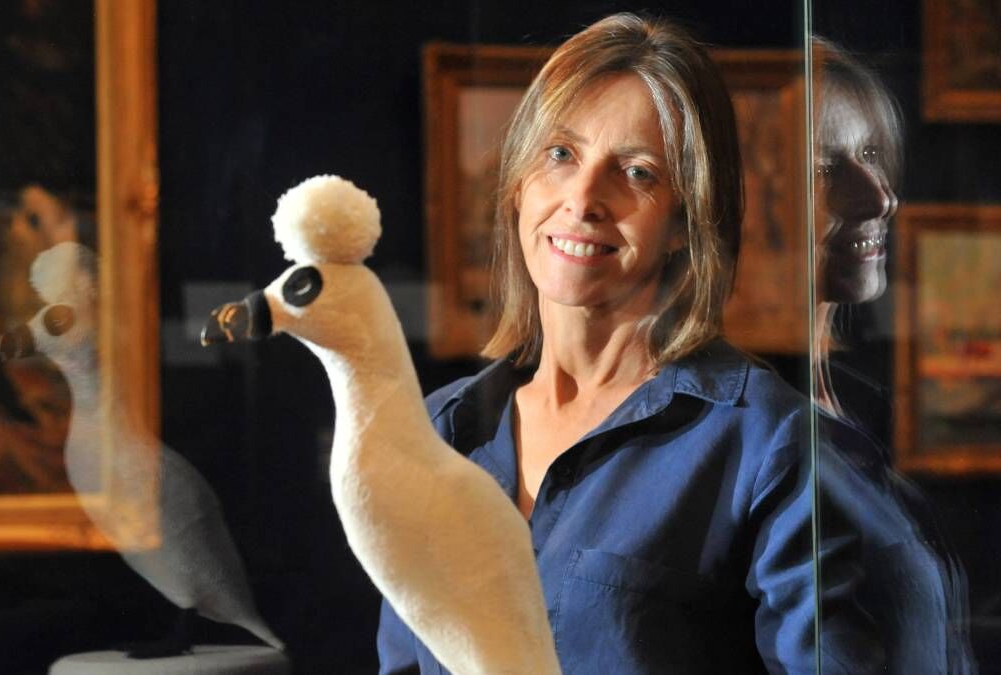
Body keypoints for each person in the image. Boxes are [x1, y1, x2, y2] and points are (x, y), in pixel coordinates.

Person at [379, 13, 876, 673]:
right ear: (520, 185)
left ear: (684, 220)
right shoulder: (439, 434)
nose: (583, 197)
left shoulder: (771, 446)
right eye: (560, 155)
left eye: (637, 173)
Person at [810, 37, 977, 673]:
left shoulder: (863, 408)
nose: (880, 197)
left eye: (871, 153)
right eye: (825, 168)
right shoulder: (738, 430)